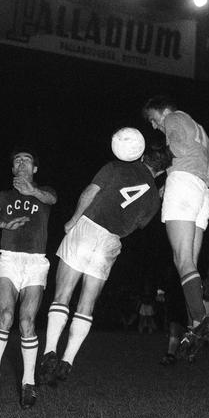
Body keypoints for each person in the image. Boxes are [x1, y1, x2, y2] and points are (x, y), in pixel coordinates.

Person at [38, 133, 171, 385]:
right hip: (111, 242)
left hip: (89, 228)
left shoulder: (115, 166)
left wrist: (74, 219)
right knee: (86, 304)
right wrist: (156, 193)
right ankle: (68, 360)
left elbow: (90, 193)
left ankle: (49, 352)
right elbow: (137, 225)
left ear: (142, 155)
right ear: (162, 169)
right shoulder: (154, 197)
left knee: (63, 295)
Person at [0, 148, 57, 409]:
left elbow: (51, 199)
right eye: (17, 161)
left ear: (34, 169)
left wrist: (31, 191)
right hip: (9, 258)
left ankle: (28, 384)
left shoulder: (45, 193)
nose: (21, 163)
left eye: (27, 160)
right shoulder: (3, 196)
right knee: (6, 316)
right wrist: (3, 224)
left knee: (26, 321)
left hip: (36, 261)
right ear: (13, 169)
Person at [143, 95, 209, 354]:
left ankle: (202, 319)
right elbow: (191, 156)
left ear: (162, 112)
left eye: (153, 119)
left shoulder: (174, 118)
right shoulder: (199, 128)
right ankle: (196, 323)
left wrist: (153, 168)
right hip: (201, 191)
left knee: (181, 259)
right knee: (188, 265)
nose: (154, 126)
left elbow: (178, 150)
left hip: (184, 186)